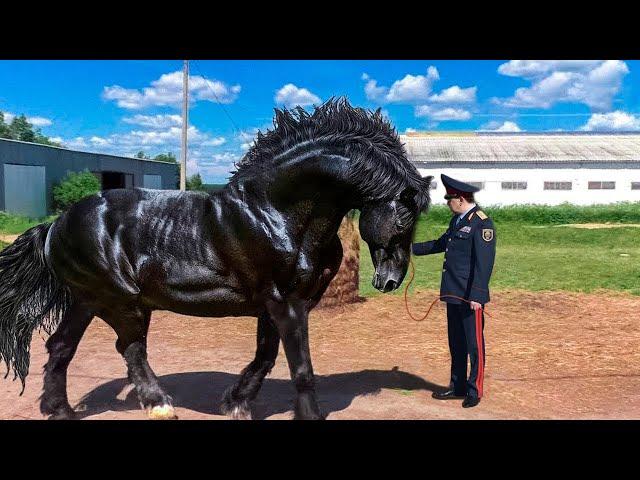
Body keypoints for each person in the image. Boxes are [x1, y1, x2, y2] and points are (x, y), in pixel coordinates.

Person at [412, 174, 496, 408]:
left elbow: (484, 263)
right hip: (454, 294)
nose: (447, 203)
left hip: (471, 298)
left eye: (449, 199)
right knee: (456, 343)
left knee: (474, 345)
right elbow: (441, 244)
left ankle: (474, 390)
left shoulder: (482, 223)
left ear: (460, 199)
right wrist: (410, 249)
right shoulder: (457, 221)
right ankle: (457, 386)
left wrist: (478, 296)